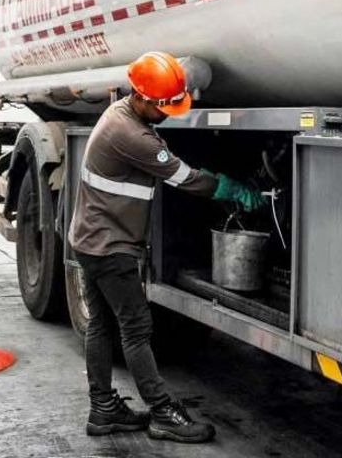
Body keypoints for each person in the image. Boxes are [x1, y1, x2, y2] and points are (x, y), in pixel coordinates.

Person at [67, 51, 264, 443]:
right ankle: (162, 413)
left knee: (103, 325)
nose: (171, 112)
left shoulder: (120, 113)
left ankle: (103, 410)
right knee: (136, 328)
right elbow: (184, 177)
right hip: (111, 246)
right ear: (141, 97)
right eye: (165, 106)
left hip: (92, 239)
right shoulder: (132, 135)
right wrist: (232, 189)